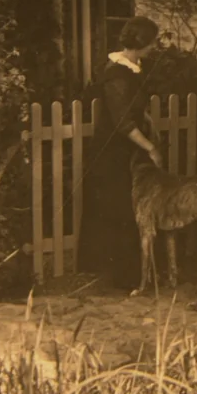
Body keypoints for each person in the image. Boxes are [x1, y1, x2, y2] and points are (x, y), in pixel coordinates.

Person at [80, 16, 164, 289]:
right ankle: (123, 277)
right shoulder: (116, 73)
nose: (154, 46)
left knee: (135, 206)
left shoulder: (135, 68)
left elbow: (134, 106)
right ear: (142, 42)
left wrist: (148, 118)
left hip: (128, 149)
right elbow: (122, 121)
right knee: (120, 210)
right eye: (152, 42)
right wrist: (150, 147)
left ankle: (138, 272)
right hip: (112, 152)